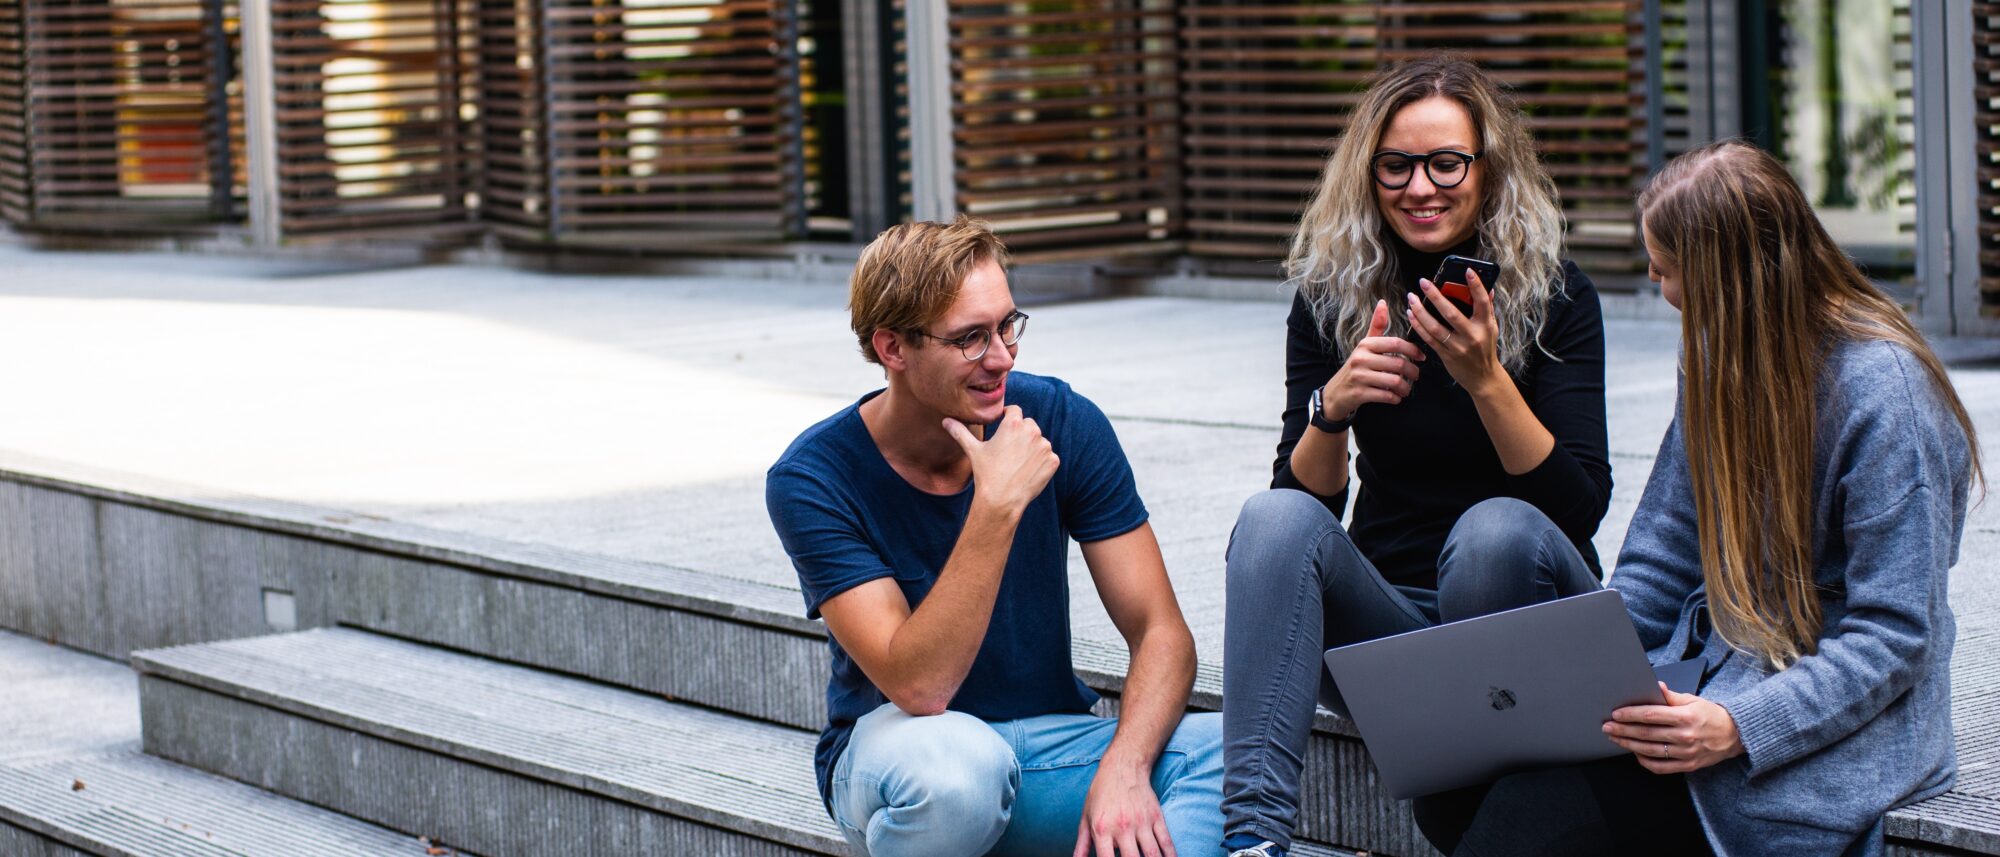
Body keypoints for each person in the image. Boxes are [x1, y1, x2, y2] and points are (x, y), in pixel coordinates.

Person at [1430, 139, 1980, 856]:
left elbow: (1893, 635)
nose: (1661, 289)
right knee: (1455, 787)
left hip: (1818, 729)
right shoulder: (1722, 356)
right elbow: (1660, 558)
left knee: (1534, 815)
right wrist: (1585, 676)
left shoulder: (1887, 395)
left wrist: (1739, 724)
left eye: (1667, 270)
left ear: (1730, 276)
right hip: (1703, 679)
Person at [1218, 54, 1612, 857]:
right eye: (1395, 165)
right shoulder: (1336, 296)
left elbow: (1578, 511)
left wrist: (1486, 379)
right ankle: (1254, 841)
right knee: (1269, 519)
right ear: (1368, 173)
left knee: (1494, 531)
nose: (1420, 187)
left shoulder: (1557, 295)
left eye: (1445, 163)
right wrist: (1333, 408)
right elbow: (1305, 515)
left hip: (1520, 613)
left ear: (1488, 169)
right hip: (1391, 627)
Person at [765, 217, 1223, 857]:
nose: (1002, 357)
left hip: (1048, 744)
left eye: (1008, 326)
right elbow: (920, 687)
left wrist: (1122, 769)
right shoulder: (814, 477)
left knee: (1238, 749)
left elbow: (1161, 633)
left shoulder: (1061, 419)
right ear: (892, 348)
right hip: (908, 762)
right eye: (971, 339)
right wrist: (997, 505)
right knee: (959, 772)